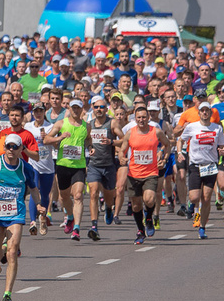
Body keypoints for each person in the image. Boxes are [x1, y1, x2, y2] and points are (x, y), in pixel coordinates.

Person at [0, 134, 43, 301]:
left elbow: (34, 189)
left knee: (13, 252)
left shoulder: (26, 168)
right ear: (4, 147)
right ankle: (0, 254)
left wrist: (39, 205)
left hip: (15, 214)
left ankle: (7, 294)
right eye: (8, 146)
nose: (11, 150)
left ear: (21, 150)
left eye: (15, 147)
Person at [120, 107, 171, 244]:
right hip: (134, 173)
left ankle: (149, 218)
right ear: (135, 119)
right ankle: (140, 230)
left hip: (151, 172)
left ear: (148, 118)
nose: (141, 120)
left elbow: (167, 145)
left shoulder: (156, 132)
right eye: (139, 117)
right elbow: (122, 150)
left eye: (144, 117)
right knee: (136, 206)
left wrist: (164, 159)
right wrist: (122, 158)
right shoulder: (130, 133)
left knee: (149, 199)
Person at [44, 99, 92, 241]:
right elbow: (46, 139)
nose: (75, 110)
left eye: (78, 108)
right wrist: (60, 137)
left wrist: (90, 147)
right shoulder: (61, 123)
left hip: (79, 166)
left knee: (78, 196)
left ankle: (76, 228)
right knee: (64, 196)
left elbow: (89, 139)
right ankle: (70, 217)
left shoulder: (86, 126)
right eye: (73, 108)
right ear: (69, 109)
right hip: (63, 165)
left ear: (82, 109)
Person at [178, 102, 224, 238]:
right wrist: (180, 152)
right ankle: (192, 206)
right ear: (198, 113)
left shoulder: (217, 128)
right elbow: (180, 140)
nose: (205, 113)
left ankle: (202, 227)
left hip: (211, 166)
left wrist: (223, 150)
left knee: (206, 198)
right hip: (195, 165)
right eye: (202, 110)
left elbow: (223, 146)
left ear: (211, 113)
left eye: (207, 111)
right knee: (194, 197)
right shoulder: (192, 127)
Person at [86, 96, 122, 240]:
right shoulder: (89, 124)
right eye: (96, 107)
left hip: (109, 165)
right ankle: (94, 225)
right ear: (92, 109)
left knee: (109, 195)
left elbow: (124, 139)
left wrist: (112, 142)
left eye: (102, 107)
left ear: (106, 109)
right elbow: (85, 140)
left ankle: (108, 208)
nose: (99, 110)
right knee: (93, 193)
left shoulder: (112, 123)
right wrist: (89, 147)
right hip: (94, 165)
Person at [25, 102, 55, 236]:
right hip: (33, 164)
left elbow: (57, 145)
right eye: (36, 111)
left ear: (44, 112)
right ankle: (32, 222)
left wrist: (48, 139)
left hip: (47, 165)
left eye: (40, 111)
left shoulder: (50, 127)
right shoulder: (28, 127)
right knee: (33, 190)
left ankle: (42, 217)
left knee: (44, 194)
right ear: (32, 113)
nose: (38, 114)